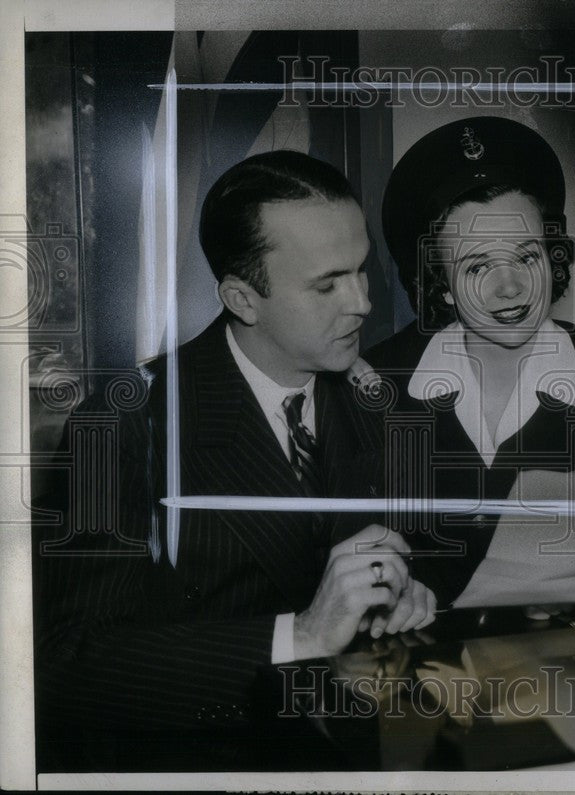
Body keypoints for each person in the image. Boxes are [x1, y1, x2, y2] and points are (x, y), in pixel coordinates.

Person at [34, 151, 436, 746]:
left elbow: (420, 565)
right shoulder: (123, 427)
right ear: (243, 299)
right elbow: (66, 667)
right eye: (327, 284)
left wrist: (407, 597)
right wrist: (298, 634)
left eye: (361, 270)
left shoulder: (386, 408)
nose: (362, 303)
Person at [366, 117, 575, 605]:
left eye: (526, 256)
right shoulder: (370, 385)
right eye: (477, 266)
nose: (512, 288)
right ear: (440, 283)